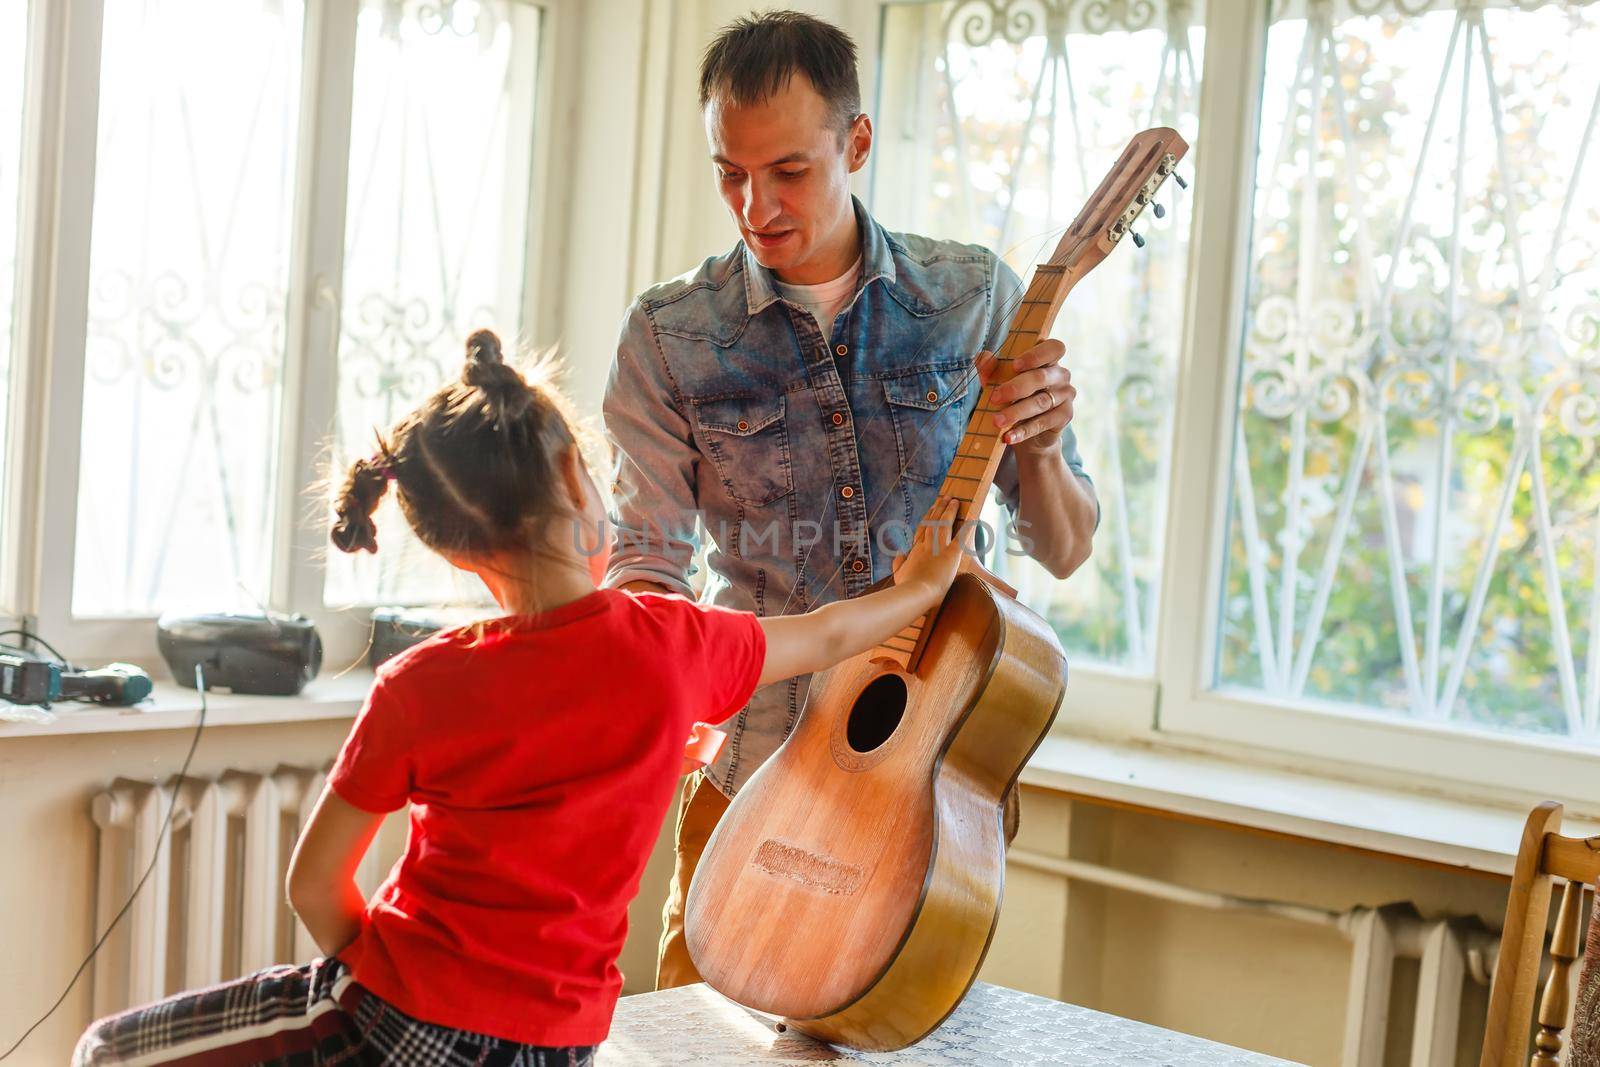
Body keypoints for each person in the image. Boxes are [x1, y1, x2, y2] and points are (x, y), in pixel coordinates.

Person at [72, 329, 969, 1066]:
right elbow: (825, 635)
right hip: (559, 1047)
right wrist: (920, 591)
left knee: (106, 1052)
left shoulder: (421, 685)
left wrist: (402, 991)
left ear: (456, 550)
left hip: (401, 1012)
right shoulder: (676, 645)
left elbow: (315, 885)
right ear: (580, 480)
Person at [601, 11, 1101, 990]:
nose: (755, 204)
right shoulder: (670, 334)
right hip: (743, 779)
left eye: (787, 170)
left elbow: (1063, 544)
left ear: (856, 142)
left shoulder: (974, 300)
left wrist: (1037, 443)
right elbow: (643, 559)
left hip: (926, 803)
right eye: (729, 172)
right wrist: (656, 679)